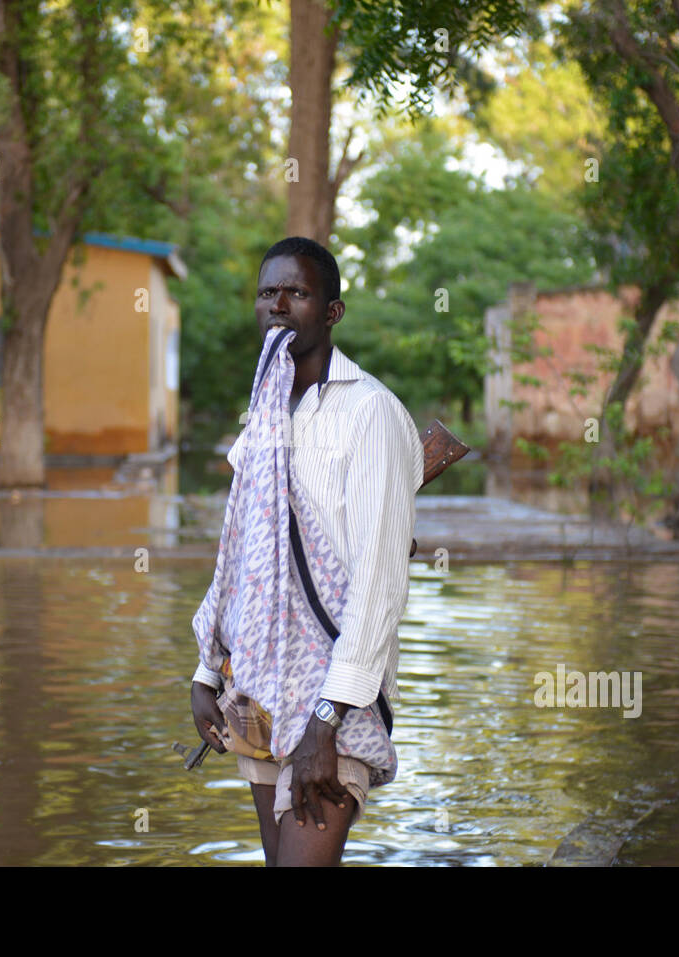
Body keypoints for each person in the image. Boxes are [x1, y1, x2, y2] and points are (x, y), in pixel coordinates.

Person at [189, 236, 424, 866]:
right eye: (269, 292)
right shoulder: (263, 414)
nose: (280, 305)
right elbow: (240, 555)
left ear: (332, 311)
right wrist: (207, 672)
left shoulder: (369, 413)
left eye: (298, 292)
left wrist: (327, 720)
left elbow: (380, 586)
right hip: (261, 693)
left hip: (335, 701)